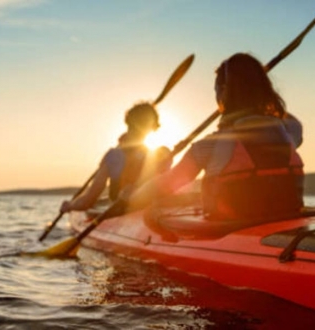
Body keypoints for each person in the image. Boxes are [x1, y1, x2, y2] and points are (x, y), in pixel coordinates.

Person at [129, 53, 304, 222]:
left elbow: (167, 184)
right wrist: (262, 95)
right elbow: (295, 124)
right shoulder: (286, 134)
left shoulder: (208, 147)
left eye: (216, 90)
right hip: (285, 215)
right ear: (264, 90)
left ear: (222, 93)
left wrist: (131, 198)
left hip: (232, 226)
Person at [59, 102, 171, 214]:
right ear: (152, 128)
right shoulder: (160, 155)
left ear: (128, 123)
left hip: (125, 211)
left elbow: (87, 202)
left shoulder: (113, 157)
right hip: (145, 211)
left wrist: (70, 205)